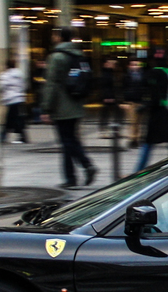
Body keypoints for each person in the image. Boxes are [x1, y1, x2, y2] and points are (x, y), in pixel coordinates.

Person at [41, 27, 97, 189]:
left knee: (67, 140)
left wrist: (46, 108)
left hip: (61, 106)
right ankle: (70, 178)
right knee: (69, 141)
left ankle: (87, 165)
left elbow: (51, 84)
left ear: (59, 37)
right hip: (76, 104)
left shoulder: (56, 57)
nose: (52, 36)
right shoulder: (79, 55)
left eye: (54, 34)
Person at [134, 54, 168, 172]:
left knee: (148, 144)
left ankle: (138, 171)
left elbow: (154, 97)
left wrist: (144, 106)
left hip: (158, 115)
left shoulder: (153, 74)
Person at [0, 58, 28, 144]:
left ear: (6, 66)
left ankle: (3, 137)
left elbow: (1, 87)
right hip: (19, 98)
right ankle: (22, 136)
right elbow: (24, 85)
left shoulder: (5, 75)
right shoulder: (20, 73)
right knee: (17, 118)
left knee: (9, 119)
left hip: (10, 99)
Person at [121, 58, 146, 148]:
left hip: (140, 100)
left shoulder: (143, 75)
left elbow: (146, 88)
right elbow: (122, 88)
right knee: (132, 121)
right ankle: (133, 138)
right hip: (130, 101)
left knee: (139, 121)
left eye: (137, 64)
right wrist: (123, 102)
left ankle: (137, 138)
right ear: (129, 66)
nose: (135, 67)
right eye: (133, 64)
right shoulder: (126, 76)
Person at [98, 57, 120, 139]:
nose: (113, 65)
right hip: (108, 96)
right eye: (111, 63)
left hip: (111, 96)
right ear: (106, 64)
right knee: (106, 113)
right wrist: (107, 96)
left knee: (113, 113)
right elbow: (105, 87)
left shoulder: (110, 73)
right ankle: (103, 130)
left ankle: (114, 130)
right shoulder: (105, 74)